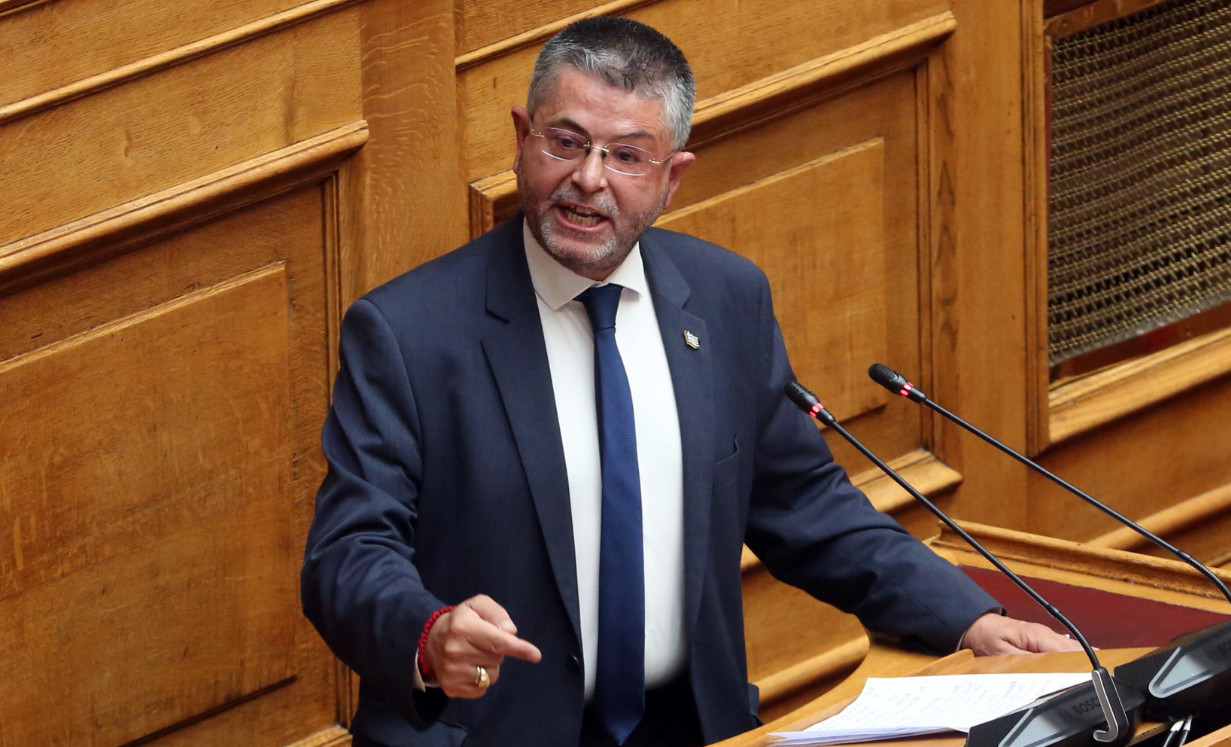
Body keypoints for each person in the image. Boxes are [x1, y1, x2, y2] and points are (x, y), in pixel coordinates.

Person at [301, 16, 1078, 747]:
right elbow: (348, 551)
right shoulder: (408, 331)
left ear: (672, 176)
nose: (587, 179)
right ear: (520, 139)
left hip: (692, 725)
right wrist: (427, 633)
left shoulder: (724, 298)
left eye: (626, 155)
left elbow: (805, 506)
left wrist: (967, 618)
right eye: (564, 143)